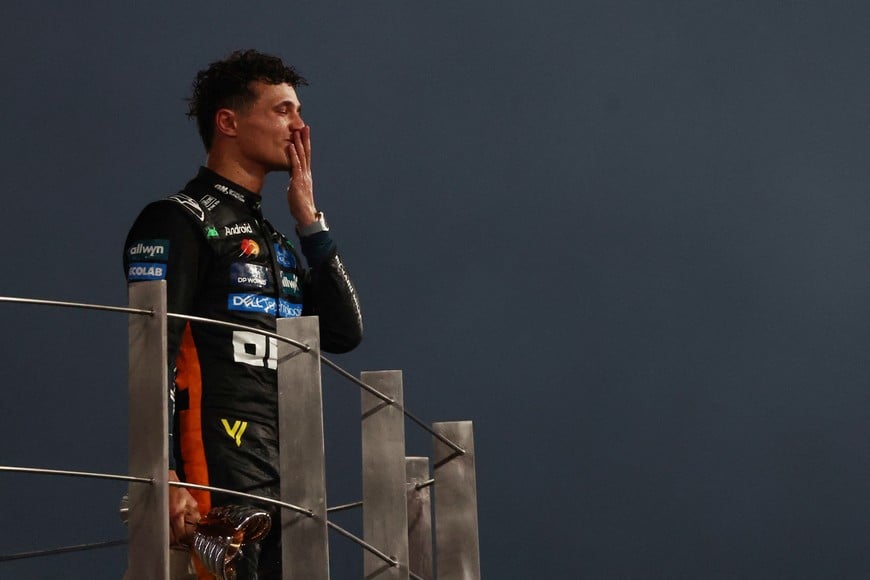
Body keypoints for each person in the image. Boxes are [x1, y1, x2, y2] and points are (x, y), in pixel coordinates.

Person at [123, 49, 363, 578]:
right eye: (282, 111)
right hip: (210, 461)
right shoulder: (176, 219)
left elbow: (344, 334)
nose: (300, 127)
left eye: (298, 111)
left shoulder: (278, 241)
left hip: (284, 467)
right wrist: (160, 474)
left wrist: (311, 225)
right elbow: (153, 353)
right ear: (228, 122)